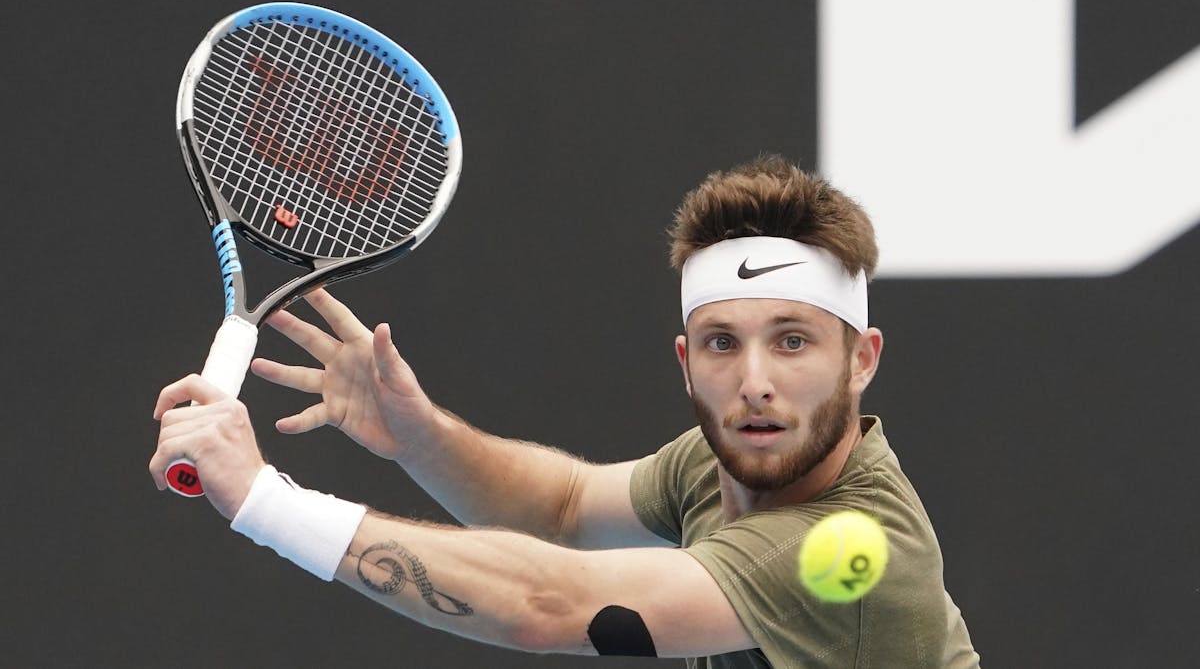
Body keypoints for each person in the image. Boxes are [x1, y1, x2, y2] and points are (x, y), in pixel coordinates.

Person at [150, 156, 980, 668]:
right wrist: (423, 438)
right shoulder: (722, 460)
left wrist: (264, 500)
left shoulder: (851, 552)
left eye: (793, 341)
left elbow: (552, 607)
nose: (755, 381)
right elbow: (567, 506)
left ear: (862, 359)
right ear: (687, 361)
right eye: (723, 342)